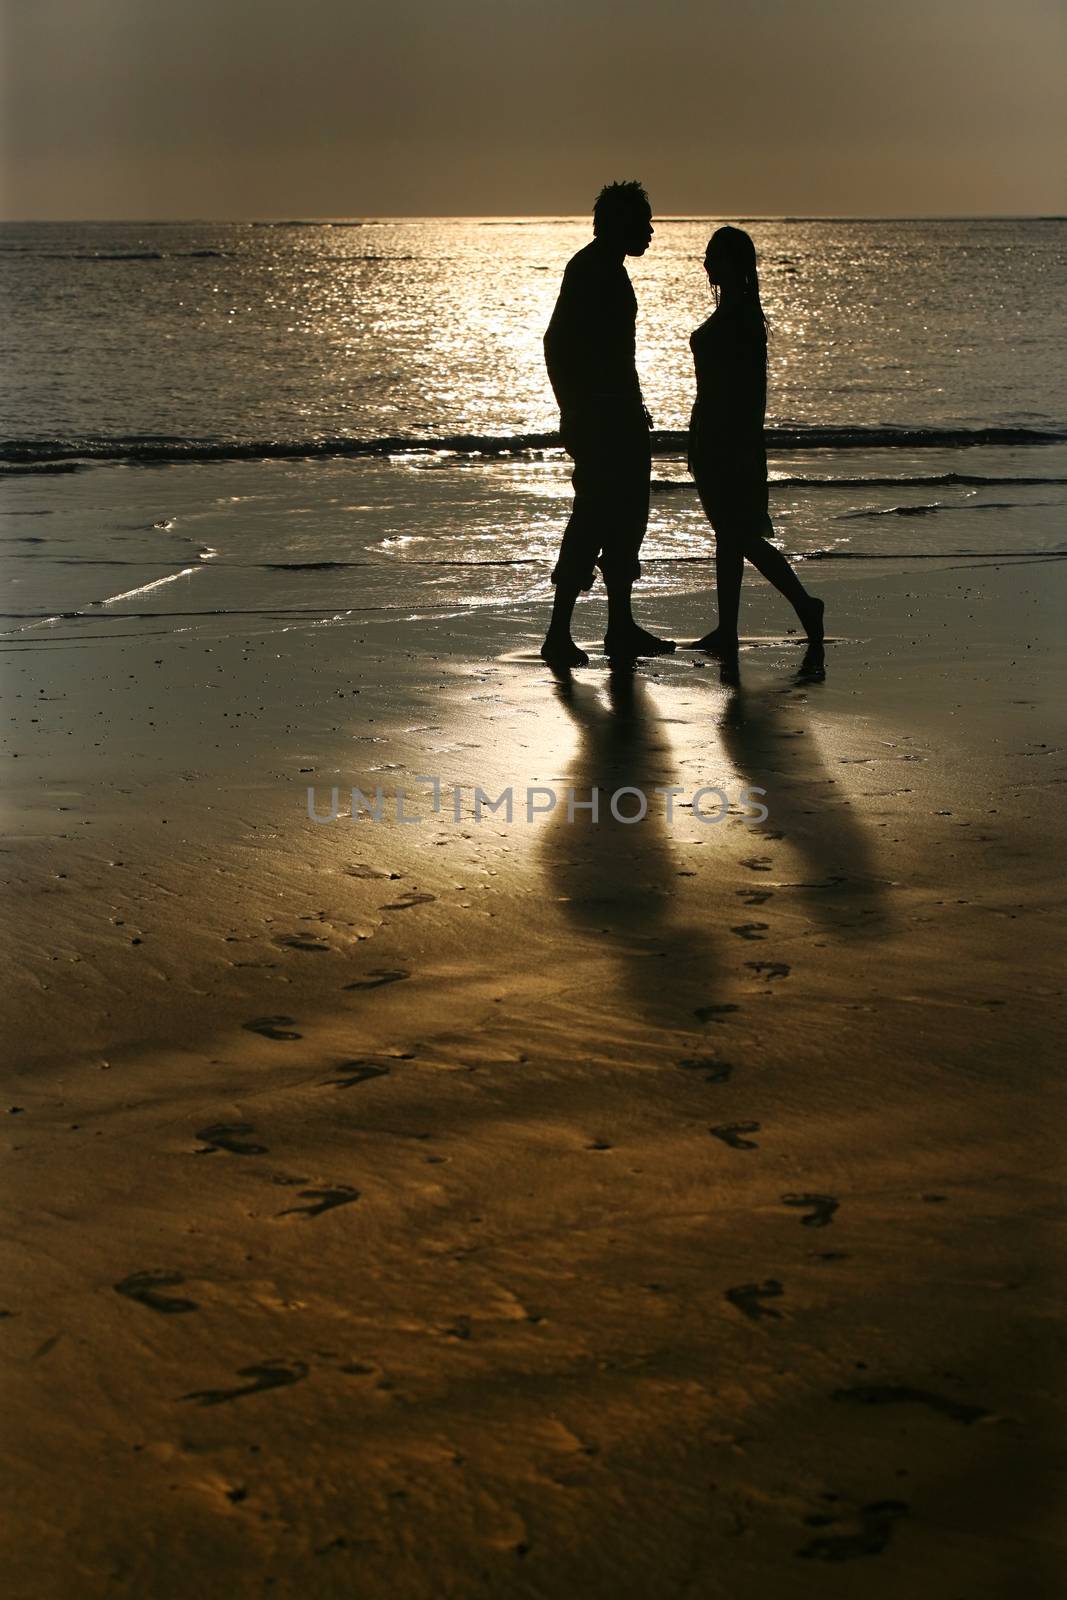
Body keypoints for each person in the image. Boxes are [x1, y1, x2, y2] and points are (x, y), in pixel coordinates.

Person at [540, 181, 676, 668]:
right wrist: (573, 411)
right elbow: (555, 343)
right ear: (621, 223)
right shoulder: (590, 270)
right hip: (601, 420)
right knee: (593, 519)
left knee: (626, 521)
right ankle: (558, 634)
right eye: (643, 222)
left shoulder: (609, 271)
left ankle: (620, 626)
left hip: (620, 416)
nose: (650, 231)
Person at [687, 226, 824, 656]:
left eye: (715, 255)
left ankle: (804, 603)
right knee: (729, 536)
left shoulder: (744, 318)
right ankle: (727, 628)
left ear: (735, 263)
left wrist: (737, 444)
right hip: (713, 436)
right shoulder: (735, 311)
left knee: (738, 535)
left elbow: (749, 393)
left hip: (730, 440)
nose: (707, 261)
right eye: (707, 254)